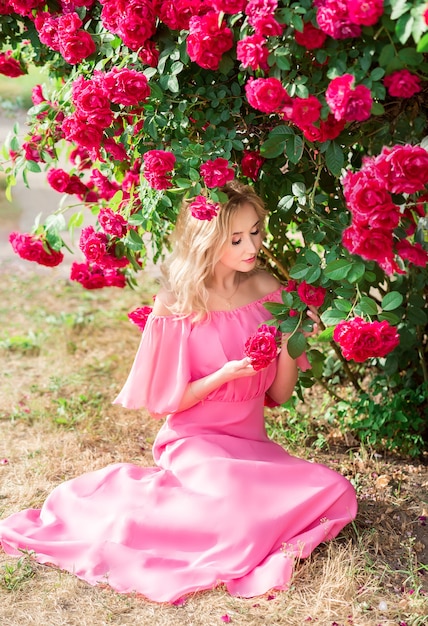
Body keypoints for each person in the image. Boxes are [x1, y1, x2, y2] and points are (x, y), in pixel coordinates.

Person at [0, 181, 357, 603]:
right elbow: (165, 403)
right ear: (207, 239)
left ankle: (237, 510)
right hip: (196, 443)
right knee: (240, 518)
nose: (252, 246)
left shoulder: (266, 288)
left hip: (251, 445)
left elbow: (278, 393)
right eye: (237, 238)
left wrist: (293, 339)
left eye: (256, 232)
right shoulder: (177, 303)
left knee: (335, 489)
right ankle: (134, 515)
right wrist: (224, 374)